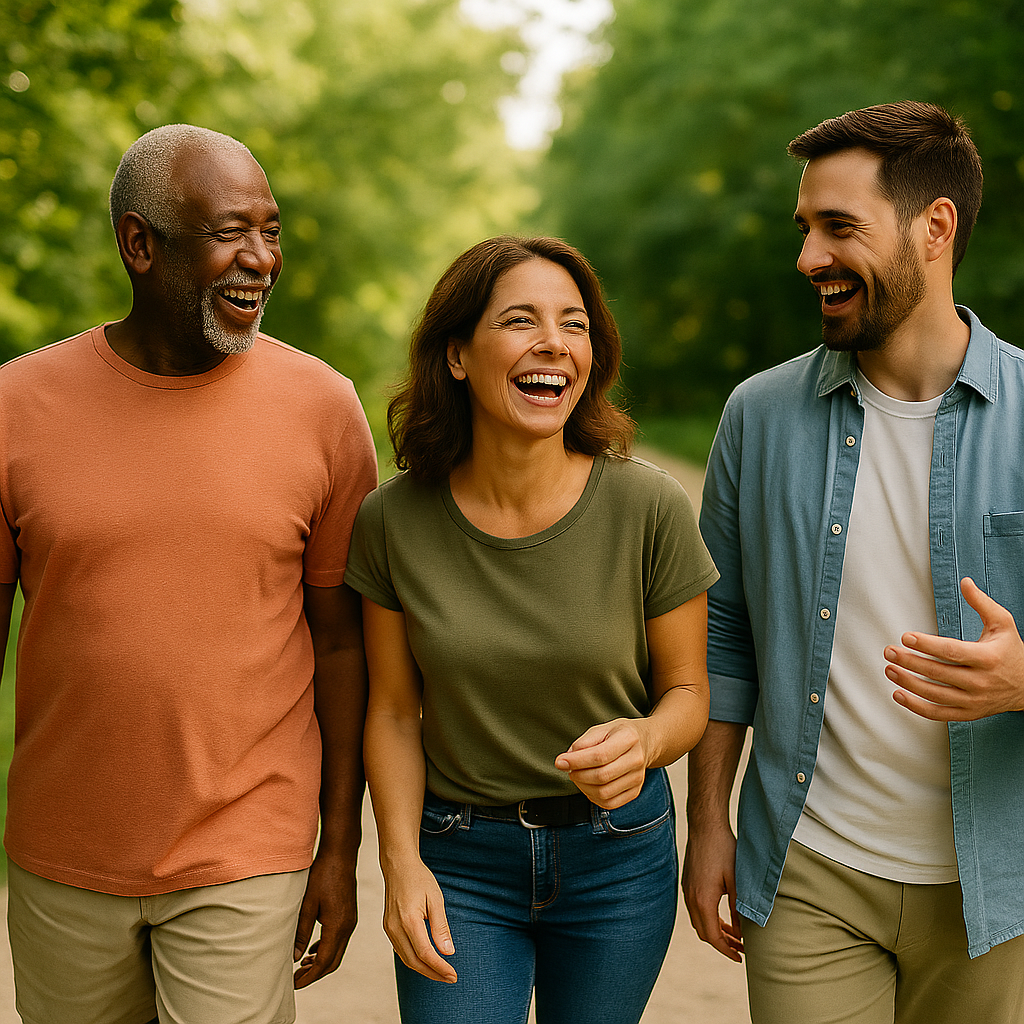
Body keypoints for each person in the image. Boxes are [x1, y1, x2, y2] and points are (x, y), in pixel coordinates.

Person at [0, 124, 377, 1024]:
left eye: (273, 231)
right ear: (141, 244)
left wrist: (339, 846)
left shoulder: (323, 410)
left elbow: (343, 646)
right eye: (228, 233)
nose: (260, 260)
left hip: (246, 851)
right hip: (62, 855)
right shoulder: (16, 406)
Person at [683, 100, 1024, 1024]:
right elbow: (724, 635)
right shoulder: (757, 415)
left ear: (935, 227)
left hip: (1000, 888)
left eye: (840, 228)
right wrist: (707, 820)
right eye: (806, 229)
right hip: (812, 871)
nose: (808, 259)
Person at [344, 235, 718, 1024]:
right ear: (457, 356)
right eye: (521, 320)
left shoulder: (648, 508)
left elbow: (687, 692)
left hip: (617, 860)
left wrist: (646, 744)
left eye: (574, 325)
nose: (554, 342)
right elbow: (392, 710)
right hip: (459, 858)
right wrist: (400, 863)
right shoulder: (391, 520)